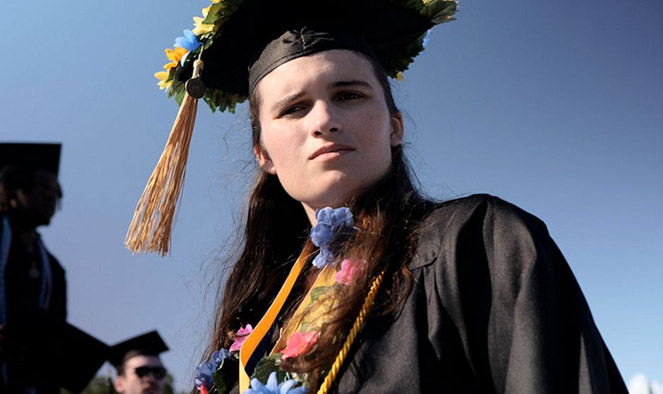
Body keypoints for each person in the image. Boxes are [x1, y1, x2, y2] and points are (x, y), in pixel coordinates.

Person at [128, 1, 629, 393]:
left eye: (349, 95)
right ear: (264, 155)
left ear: (394, 126)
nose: (324, 120)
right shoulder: (259, 320)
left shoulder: (476, 243)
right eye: (294, 108)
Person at [0, 143, 66, 394]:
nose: (51, 197)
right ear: (15, 191)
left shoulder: (54, 271)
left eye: (56, 191)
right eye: (43, 187)